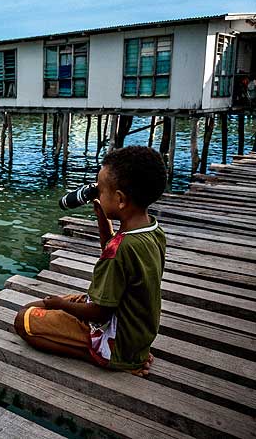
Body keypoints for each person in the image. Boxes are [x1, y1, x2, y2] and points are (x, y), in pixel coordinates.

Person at [14, 146, 167, 376]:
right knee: (40, 305)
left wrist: (60, 305)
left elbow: (100, 313)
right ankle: (127, 354)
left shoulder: (121, 249)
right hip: (136, 331)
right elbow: (115, 256)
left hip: (114, 335)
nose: (97, 193)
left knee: (23, 319)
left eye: (101, 190)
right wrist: (102, 215)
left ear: (120, 199)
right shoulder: (152, 231)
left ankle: (98, 355)